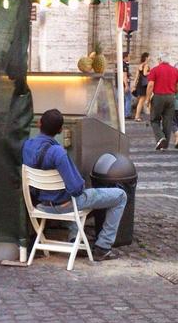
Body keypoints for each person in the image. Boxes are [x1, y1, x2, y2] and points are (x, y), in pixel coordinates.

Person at [22, 109, 127, 261]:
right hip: (63, 206)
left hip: (40, 205)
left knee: (75, 197)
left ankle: (74, 240)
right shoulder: (58, 153)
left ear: (39, 124)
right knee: (119, 196)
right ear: (60, 130)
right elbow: (76, 189)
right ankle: (103, 246)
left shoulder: (27, 146)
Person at [145, 53, 178, 150]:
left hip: (158, 96)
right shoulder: (175, 70)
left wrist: (147, 99)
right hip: (171, 97)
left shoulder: (155, 70)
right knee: (168, 121)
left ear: (160, 60)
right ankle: (164, 145)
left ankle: (161, 138)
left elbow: (150, 85)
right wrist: (174, 92)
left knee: (154, 120)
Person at [133, 52, 150, 121]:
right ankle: (137, 116)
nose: (150, 58)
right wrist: (151, 72)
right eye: (149, 57)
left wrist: (134, 85)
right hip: (144, 85)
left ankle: (137, 115)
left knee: (141, 100)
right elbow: (145, 73)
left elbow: (137, 76)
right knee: (142, 101)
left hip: (140, 84)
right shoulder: (146, 65)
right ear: (146, 58)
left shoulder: (139, 65)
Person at [123, 52, 132, 119]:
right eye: (128, 56)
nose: (129, 58)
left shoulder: (119, 64)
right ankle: (127, 114)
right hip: (124, 83)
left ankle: (123, 113)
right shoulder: (124, 65)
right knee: (128, 98)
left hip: (120, 84)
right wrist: (126, 85)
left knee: (123, 99)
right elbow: (124, 76)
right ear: (125, 57)